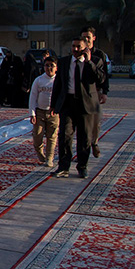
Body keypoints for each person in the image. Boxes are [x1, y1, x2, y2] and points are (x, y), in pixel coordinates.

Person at [51, 37, 105, 179]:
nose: (75, 49)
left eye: (78, 47)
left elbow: (100, 79)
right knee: (64, 135)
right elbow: (58, 84)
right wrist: (54, 105)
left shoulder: (95, 61)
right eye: (73, 46)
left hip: (86, 105)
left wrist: (89, 62)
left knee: (84, 137)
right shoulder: (64, 62)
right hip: (67, 103)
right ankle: (63, 167)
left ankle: (82, 166)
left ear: (86, 48)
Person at [81, 27, 109, 157]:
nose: (86, 39)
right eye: (84, 37)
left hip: (95, 91)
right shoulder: (78, 53)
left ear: (93, 38)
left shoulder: (99, 55)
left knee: (95, 121)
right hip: (80, 92)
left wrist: (104, 92)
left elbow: (104, 75)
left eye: (88, 37)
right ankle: (82, 151)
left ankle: (94, 142)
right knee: (82, 123)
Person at [28, 56, 59, 167]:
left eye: (52, 66)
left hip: (53, 113)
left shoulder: (58, 81)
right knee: (37, 135)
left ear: (56, 67)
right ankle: (40, 154)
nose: (49, 68)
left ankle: (49, 158)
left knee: (52, 136)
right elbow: (33, 97)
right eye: (47, 65)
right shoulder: (39, 80)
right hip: (39, 113)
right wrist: (32, 114)